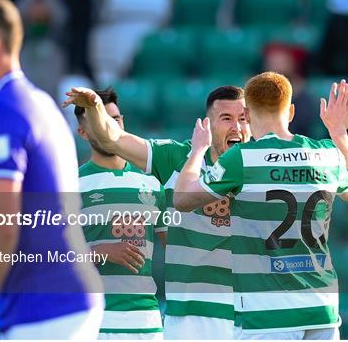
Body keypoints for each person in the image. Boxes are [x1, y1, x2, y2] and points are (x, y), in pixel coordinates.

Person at [0, 0, 103, 339]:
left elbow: (2, 226)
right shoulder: (39, 102)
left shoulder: (1, 112)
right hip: (69, 300)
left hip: (44, 313)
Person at [173, 72, 348, 339]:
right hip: (321, 306)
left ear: (246, 112)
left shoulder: (242, 158)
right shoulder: (323, 154)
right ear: (290, 111)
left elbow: (183, 198)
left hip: (267, 313)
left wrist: (198, 150)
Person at [64, 85, 251, 339]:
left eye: (243, 119)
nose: (237, 128)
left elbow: (168, 240)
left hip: (243, 315)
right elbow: (44, 255)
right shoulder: (174, 158)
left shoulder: (261, 166)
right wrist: (97, 252)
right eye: (226, 118)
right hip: (177, 320)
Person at [76, 88, 167, 339]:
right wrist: (99, 252)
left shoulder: (153, 183)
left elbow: (178, 249)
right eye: (98, 119)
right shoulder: (70, 184)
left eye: (114, 119)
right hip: (91, 324)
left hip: (145, 324)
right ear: (83, 132)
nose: (108, 126)